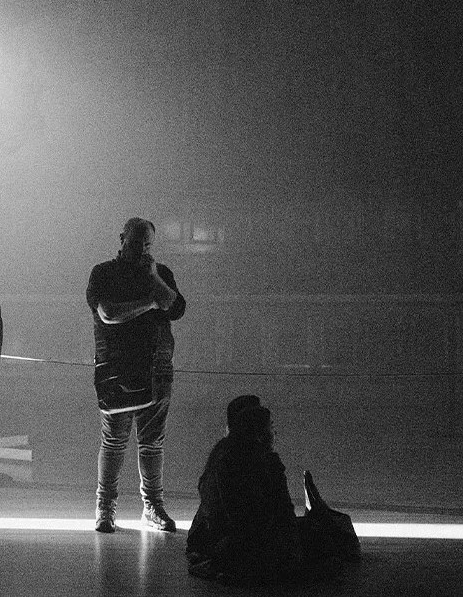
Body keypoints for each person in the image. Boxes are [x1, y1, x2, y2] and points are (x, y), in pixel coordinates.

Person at [186, 396, 361, 585]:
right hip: (253, 546)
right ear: (260, 433)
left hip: (228, 544)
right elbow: (282, 514)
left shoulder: (222, 455)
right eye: (271, 426)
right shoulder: (266, 462)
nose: (275, 432)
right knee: (323, 540)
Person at [86, 217, 186, 533]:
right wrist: (150, 302)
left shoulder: (160, 273)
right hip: (117, 368)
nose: (142, 248)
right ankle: (105, 509)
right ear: (122, 238)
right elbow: (108, 313)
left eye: (147, 243)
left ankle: (152, 507)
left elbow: (175, 307)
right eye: (137, 241)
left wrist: (154, 277)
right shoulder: (103, 272)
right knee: (115, 441)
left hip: (157, 366)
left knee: (152, 442)